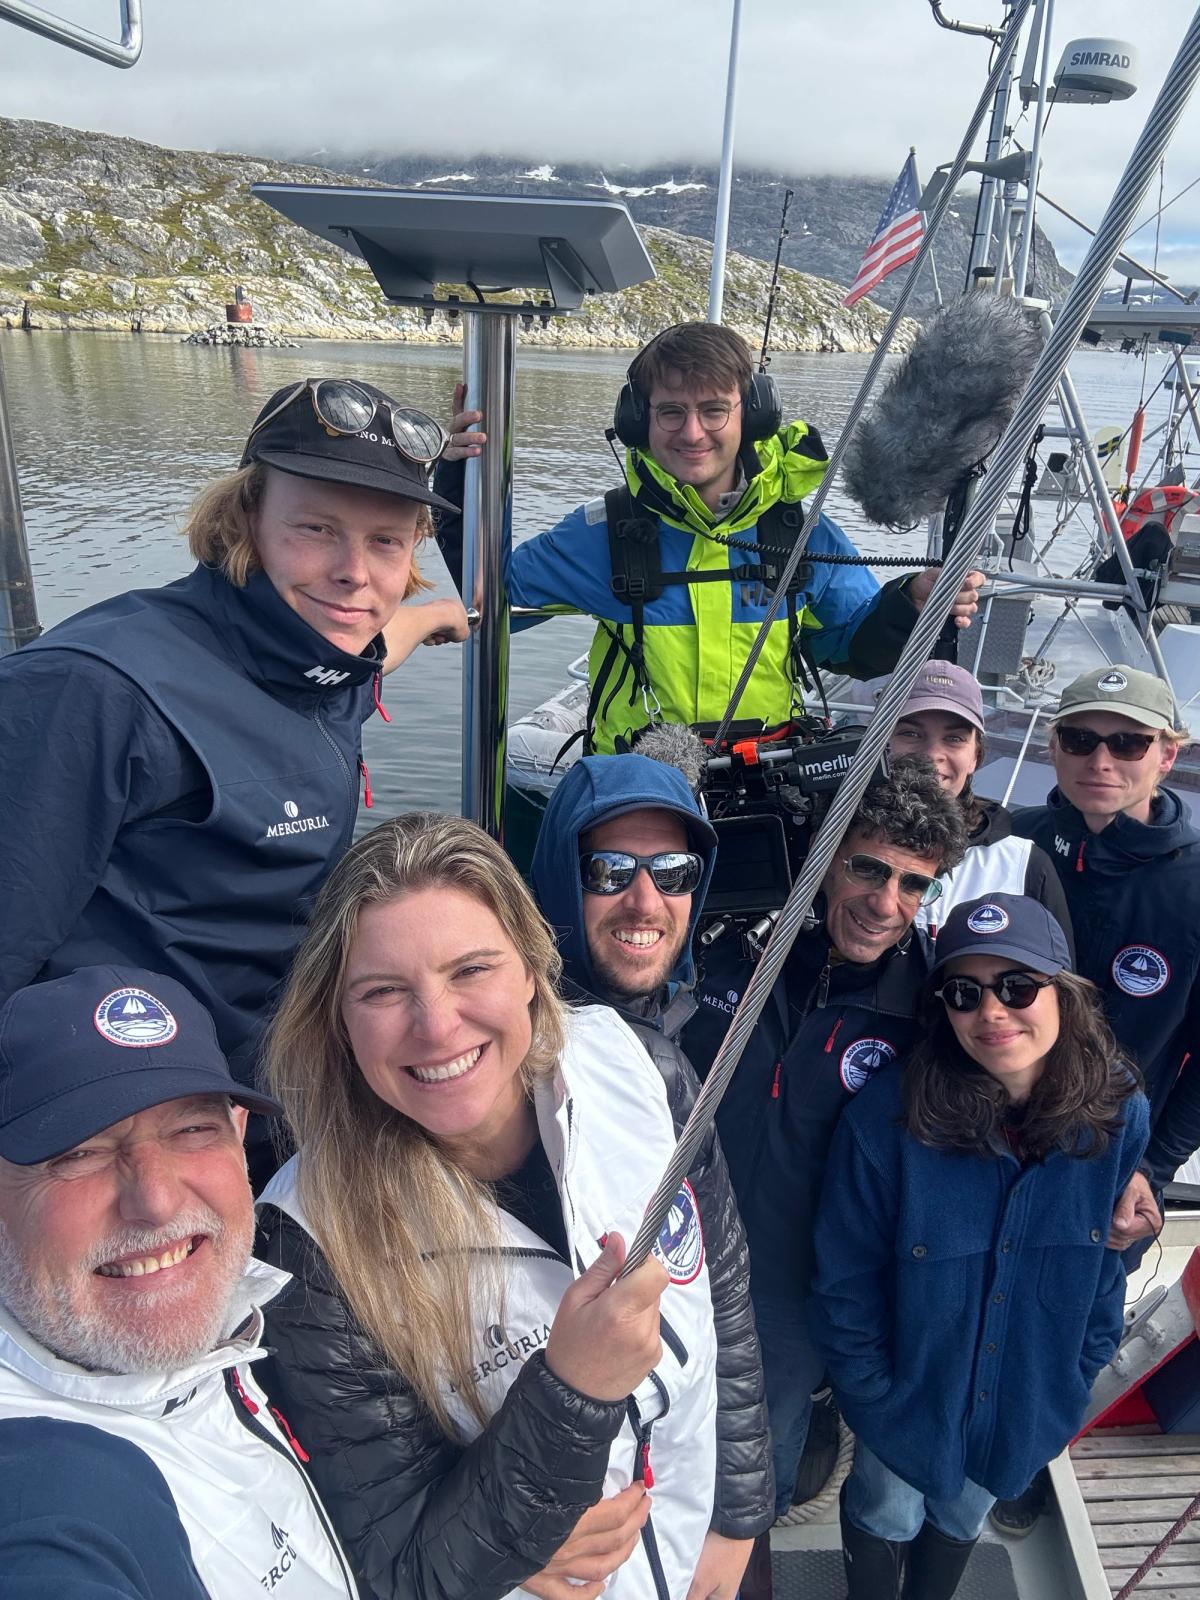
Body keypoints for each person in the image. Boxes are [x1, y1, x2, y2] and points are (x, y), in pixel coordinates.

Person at [255, 812, 762, 1600]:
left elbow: (723, 1293)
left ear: (531, 967)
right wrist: (569, 1397)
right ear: (337, 1019)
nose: (436, 1025)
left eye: (471, 970)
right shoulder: (309, 1251)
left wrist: (737, 1523)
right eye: (384, 991)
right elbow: (402, 1571)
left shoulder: (641, 1068)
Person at [0, 377, 469, 1105]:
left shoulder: (321, 655)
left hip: (279, 1081)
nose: (353, 573)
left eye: (385, 542)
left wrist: (434, 615)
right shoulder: (91, 690)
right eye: (315, 529)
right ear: (245, 516)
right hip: (129, 1113)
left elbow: (372, 644)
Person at [811, 895, 1149, 1599]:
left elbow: (1107, 1267)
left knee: (966, 1512)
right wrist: (879, 1403)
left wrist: (1075, 1373)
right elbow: (846, 1286)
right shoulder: (883, 1126)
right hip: (906, 1408)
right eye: (965, 993)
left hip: (1029, 1405)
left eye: (1018, 986)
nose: (992, 1012)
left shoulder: (1122, 1118)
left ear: (1065, 993)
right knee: (886, 1510)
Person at [435, 322, 983, 753]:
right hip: (634, 792)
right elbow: (494, 602)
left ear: (754, 415)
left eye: (714, 410)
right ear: (637, 421)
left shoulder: (800, 532)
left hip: (764, 781)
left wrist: (909, 601)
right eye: (671, 412)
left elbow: (850, 646)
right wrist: (461, 479)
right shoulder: (600, 534)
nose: (692, 433)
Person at [0, 964, 359, 1598]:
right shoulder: (41, 1484)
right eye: (78, 1152)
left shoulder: (275, 1310)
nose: (158, 1201)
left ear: (240, 1138)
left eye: (192, 1129)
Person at [682, 759, 968, 1541]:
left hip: (789, 1294)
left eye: (915, 884)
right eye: (869, 869)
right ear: (825, 856)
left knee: (749, 1491)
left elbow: (1037, 1065)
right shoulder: (727, 947)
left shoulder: (931, 1009)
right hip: (672, 1255)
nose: (886, 904)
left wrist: (1126, 1166)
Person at [530, 752, 774, 1566]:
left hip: (677, 1488)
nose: (646, 900)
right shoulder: (512, 1054)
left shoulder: (670, 1047)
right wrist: (512, 1528)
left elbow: (721, 1291)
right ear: (562, 880)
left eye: (672, 871)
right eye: (609, 870)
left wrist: (738, 1514)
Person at [1000, 662, 1199, 1535]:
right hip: (992, 1128)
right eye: (1081, 740)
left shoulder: (1194, 884)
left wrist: (1153, 1168)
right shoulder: (1009, 843)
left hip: (1113, 1151)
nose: (1102, 760)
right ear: (1053, 747)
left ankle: (1032, 1449)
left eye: (1128, 742)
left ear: (1169, 754)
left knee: (1075, 1321)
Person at [883, 660, 1072, 941]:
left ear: (976, 756)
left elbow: (1057, 982)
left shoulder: (1024, 866)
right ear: (880, 743)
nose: (931, 754)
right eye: (910, 733)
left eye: (955, 738)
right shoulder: (833, 843)